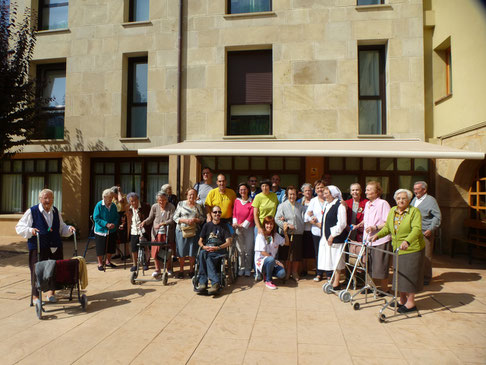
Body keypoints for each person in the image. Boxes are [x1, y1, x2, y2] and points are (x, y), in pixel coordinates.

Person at [16, 189, 75, 304]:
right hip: (38, 246)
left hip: (54, 245)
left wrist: (69, 229)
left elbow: (61, 227)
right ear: (40, 199)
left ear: (53, 199)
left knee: (54, 269)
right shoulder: (32, 211)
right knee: (37, 271)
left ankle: (50, 293)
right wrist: (30, 230)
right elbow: (19, 227)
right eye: (45, 198)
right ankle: (36, 296)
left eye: (50, 198)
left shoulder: (55, 211)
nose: (48, 201)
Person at [371, 189, 425, 314]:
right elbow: (387, 228)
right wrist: (377, 235)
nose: (401, 200)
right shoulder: (392, 211)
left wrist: (407, 241)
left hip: (412, 248)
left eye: (404, 198)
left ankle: (411, 303)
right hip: (397, 249)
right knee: (399, 275)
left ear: (409, 200)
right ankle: (402, 299)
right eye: (399, 198)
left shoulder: (414, 211)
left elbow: (417, 229)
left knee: (409, 275)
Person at [357, 181, 391, 294]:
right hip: (368, 240)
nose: (366, 192)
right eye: (366, 189)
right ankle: (370, 286)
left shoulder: (383, 203)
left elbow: (388, 223)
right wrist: (359, 224)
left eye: (369, 189)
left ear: (377, 192)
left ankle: (384, 289)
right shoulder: (367, 204)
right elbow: (366, 219)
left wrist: (375, 227)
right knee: (369, 264)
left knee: (381, 265)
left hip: (380, 239)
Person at [196, 205, 232, 295]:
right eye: (215, 212)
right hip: (208, 248)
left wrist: (218, 247)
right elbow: (200, 241)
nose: (217, 214)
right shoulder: (206, 226)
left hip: (219, 250)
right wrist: (203, 246)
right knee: (202, 253)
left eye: (219, 212)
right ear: (211, 214)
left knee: (206, 256)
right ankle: (204, 283)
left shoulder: (224, 226)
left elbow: (228, 242)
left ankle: (213, 283)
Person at [317, 185, 348, 289]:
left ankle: (336, 282)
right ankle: (333, 279)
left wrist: (332, 235)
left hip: (336, 238)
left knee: (337, 259)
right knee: (330, 259)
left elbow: (342, 223)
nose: (324, 195)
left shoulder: (340, 205)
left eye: (326, 193)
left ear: (333, 194)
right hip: (327, 238)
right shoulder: (327, 204)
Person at [411, 181, 441, 285]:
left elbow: (437, 216)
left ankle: (426, 278)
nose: (415, 191)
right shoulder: (415, 199)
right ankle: (417, 275)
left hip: (425, 232)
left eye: (417, 189)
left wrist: (431, 229)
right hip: (414, 232)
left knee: (426, 256)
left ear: (424, 190)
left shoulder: (431, 200)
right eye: (414, 189)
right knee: (416, 255)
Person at [141, 191, 175, 278]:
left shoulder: (171, 207)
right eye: (159, 200)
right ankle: (157, 269)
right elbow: (150, 218)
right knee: (155, 252)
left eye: (163, 200)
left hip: (167, 233)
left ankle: (169, 268)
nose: (161, 202)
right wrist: (144, 222)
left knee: (166, 252)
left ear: (166, 200)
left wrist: (163, 223)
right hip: (156, 233)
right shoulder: (154, 207)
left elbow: (172, 220)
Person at [173, 188, 205, 278]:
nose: (192, 196)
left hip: (194, 231)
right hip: (181, 230)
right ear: (187, 195)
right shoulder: (181, 204)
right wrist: (185, 220)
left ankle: (191, 270)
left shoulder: (198, 206)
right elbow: (175, 217)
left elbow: (202, 219)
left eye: (194, 194)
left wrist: (195, 220)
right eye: (190, 194)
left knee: (192, 251)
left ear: (196, 196)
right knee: (181, 251)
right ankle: (181, 270)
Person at [275, 185, 305, 281]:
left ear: (296, 195)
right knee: (286, 254)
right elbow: (277, 218)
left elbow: (305, 217)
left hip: (298, 233)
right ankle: (287, 272)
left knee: (296, 255)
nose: (292, 196)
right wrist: (286, 224)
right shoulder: (282, 206)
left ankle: (294, 272)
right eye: (290, 194)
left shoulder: (300, 206)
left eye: (294, 194)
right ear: (287, 195)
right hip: (286, 234)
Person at [254, 216, 290, 290]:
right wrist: (276, 261)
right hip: (262, 262)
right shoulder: (260, 235)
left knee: (282, 273)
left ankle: (267, 274)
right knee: (270, 259)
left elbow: (286, 243)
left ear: (273, 225)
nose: (269, 226)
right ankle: (268, 280)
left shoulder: (275, 235)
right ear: (264, 224)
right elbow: (263, 252)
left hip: (272, 262)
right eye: (267, 224)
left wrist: (285, 232)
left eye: (271, 224)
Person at [122, 192, 151, 272]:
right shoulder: (128, 207)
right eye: (131, 201)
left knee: (145, 247)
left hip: (143, 230)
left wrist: (146, 224)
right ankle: (134, 264)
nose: (133, 203)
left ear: (138, 199)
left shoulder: (145, 206)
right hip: (133, 230)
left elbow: (150, 218)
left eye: (135, 200)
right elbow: (126, 218)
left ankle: (145, 263)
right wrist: (123, 224)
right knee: (133, 248)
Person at [304, 179, 326, 281]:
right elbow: (306, 217)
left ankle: (329, 273)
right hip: (316, 231)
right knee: (318, 252)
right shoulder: (313, 201)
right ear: (315, 190)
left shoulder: (329, 199)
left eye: (321, 187)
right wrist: (315, 222)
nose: (320, 189)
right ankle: (319, 273)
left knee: (328, 252)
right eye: (317, 188)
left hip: (328, 232)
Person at [93, 189, 120, 271]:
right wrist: (106, 224)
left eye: (112, 197)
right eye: (109, 197)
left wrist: (114, 224)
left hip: (112, 229)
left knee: (111, 246)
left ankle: (108, 261)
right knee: (100, 247)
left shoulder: (113, 206)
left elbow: (116, 217)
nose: (111, 199)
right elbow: (96, 217)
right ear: (104, 197)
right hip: (101, 230)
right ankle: (100, 263)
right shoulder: (99, 205)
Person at [232, 183, 255, 277]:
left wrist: (243, 224)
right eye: (241, 189)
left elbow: (251, 215)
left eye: (244, 189)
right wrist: (235, 223)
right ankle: (241, 268)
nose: (243, 191)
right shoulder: (236, 201)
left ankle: (248, 268)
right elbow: (234, 213)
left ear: (248, 190)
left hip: (248, 228)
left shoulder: (252, 201)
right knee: (240, 250)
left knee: (248, 250)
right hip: (238, 228)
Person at [299, 183, 315, 276]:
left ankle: (315, 269)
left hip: (314, 228)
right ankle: (304, 269)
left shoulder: (316, 200)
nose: (308, 192)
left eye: (309, 190)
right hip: (303, 229)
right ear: (303, 192)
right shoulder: (300, 202)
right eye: (306, 191)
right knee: (304, 251)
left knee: (314, 250)